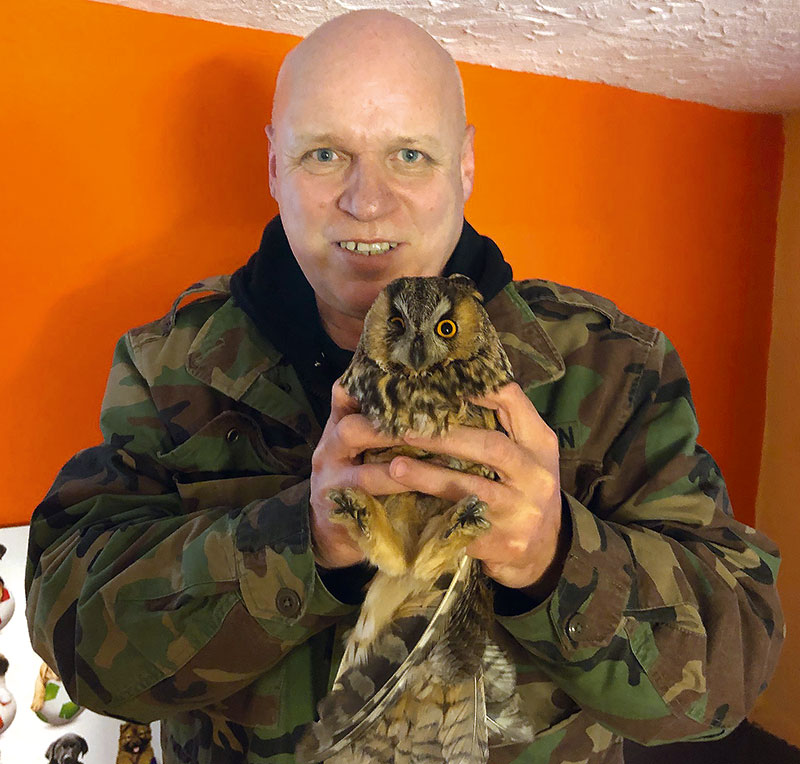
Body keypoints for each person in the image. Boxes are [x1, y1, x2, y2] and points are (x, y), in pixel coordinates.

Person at [25, 10, 783, 764]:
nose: (368, 201)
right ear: (273, 166)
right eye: (325, 154)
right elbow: (75, 638)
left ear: (466, 165)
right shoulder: (171, 366)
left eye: (410, 155)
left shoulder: (612, 366)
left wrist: (556, 558)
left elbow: (732, 669)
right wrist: (301, 541)